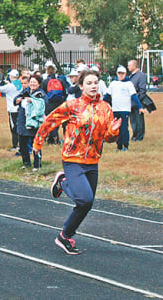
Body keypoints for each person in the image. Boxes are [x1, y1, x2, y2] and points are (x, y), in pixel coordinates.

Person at [33, 70, 122, 255]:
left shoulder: (105, 108)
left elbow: (109, 138)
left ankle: (65, 236)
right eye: (89, 83)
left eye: (96, 82)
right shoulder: (73, 105)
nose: (93, 86)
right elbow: (51, 121)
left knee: (86, 204)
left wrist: (113, 132)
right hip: (72, 159)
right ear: (81, 86)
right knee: (85, 198)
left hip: (93, 160)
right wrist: (38, 142)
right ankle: (64, 182)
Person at [105, 66, 145, 151]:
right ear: (117, 74)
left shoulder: (129, 84)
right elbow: (107, 96)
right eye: (119, 73)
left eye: (122, 73)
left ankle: (125, 146)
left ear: (125, 74)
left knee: (124, 128)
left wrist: (140, 107)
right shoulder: (113, 84)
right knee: (116, 129)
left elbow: (134, 96)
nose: (120, 75)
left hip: (125, 110)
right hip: (115, 109)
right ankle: (119, 146)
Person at [14, 75, 48, 171]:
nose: (32, 84)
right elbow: (16, 99)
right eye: (31, 82)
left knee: (36, 144)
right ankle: (26, 163)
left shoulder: (41, 94)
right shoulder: (25, 91)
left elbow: (44, 103)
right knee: (23, 144)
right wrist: (17, 100)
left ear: (39, 84)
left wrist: (32, 100)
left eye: (34, 82)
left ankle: (37, 164)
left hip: (34, 123)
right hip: (22, 121)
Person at [0, 69, 21, 152]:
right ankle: (20, 143)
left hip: (12, 108)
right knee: (19, 125)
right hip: (19, 108)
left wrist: (3, 82)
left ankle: (15, 145)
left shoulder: (9, 86)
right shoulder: (20, 84)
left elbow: (0, 88)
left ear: (11, 76)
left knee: (13, 127)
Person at [127, 60, 147, 141]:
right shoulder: (131, 76)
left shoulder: (141, 75)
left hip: (137, 101)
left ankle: (139, 136)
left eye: (129, 65)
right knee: (133, 120)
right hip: (130, 102)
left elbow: (142, 90)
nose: (128, 67)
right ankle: (135, 135)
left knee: (139, 120)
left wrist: (138, 101)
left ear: (134, 66)